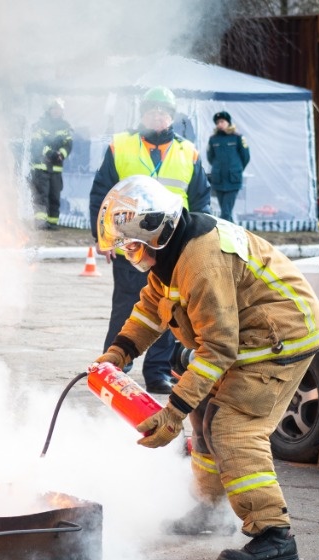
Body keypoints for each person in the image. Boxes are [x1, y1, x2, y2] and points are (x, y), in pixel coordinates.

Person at [92, 175, 319, 560]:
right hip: (249, 335)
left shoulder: (200, 260)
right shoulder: (173, 252)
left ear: (154, 233)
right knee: (204, 414)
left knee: (232, 427)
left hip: (280, 336)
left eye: (132, 247)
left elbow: (218, 347)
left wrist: (172, 412)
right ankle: (206, 509)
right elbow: (151, 308)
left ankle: (274, 534)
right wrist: (119, 352)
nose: (133, 256)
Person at [89, 86, 210, 394]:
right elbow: (101, 194)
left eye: (164, 112)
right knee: (127, 305)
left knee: (171, 309)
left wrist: (199, 244)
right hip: (131, 240)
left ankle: (157, 372)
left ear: (172, 117)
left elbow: (201, 202)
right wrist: (103, 238)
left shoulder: (188, 153)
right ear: (142, 114)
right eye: (153, 110)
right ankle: (116, 368)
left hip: (173, 243)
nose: (158, 116)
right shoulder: (121, 146)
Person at [30, 97, 74, 230]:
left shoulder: (65, 126)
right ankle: (41, 223)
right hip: (41, 167)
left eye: (59, 109)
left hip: (56, 168)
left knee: (54, 195)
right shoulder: (40, 125)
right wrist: (50, 153)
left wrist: (61, 154)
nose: (56, 112)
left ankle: (53, 222)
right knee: (41, 196)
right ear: (49, 110)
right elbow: (36, 143)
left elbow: (68, 145)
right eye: (54, 109)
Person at [206, 110, 250, 223]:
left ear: (228, 122)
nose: (219, 124)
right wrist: (217, 168)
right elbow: (210, 157)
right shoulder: (213, 139)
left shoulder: (237, 137)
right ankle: (233, 233)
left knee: (225, 212)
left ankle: (225, 233)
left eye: (222, 121)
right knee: (225, 211)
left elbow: (245, 157)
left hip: (233, 179)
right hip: (219, 179)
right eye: (217, 122)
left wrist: (237, 169)